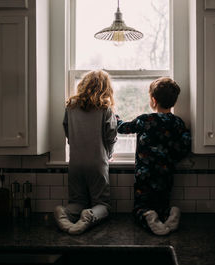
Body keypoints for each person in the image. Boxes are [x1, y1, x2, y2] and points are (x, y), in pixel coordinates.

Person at [117, 77, 191, 235]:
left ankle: (147, 216)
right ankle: (170, 213)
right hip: (166, 173)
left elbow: (123, 128)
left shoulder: (145, 120)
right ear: (174, 101)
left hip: (145, 173)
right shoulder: (178, 123)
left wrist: (115, 117)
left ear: (153, 100)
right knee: (162, 203)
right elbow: (185, 146)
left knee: (140, 207)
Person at [54, 70, 117, 235]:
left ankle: (64, 213)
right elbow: (111, 136)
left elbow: (66, 129)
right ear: (105, 88)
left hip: (75, 162)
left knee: (77, 201)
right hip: (97, 163)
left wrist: (74, 144)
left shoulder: (71, 106)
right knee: (103, 204)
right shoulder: (105, 108)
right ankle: (90, 215)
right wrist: (108, 155)